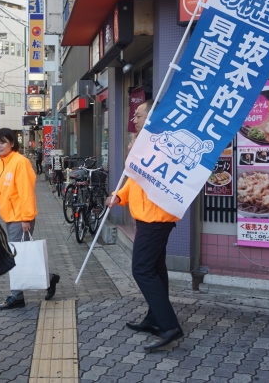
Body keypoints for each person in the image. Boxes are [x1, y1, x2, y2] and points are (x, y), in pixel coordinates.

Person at [106, 99, 184, 351]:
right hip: (147, 218)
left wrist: (133, 155)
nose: (134, 119)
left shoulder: (166, 143)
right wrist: (119, 197)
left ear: (153, 116)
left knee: (141, 270)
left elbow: (154, 178)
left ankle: (170, 325)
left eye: (139, 115)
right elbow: (135, 180)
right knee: (156, 269)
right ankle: (154, 319)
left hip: (156, 218)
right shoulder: (146, 143)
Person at [0, 128, 59, 310]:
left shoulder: (20, 162)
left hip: (20, 218)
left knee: (13, 257)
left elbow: (26, 192)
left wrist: (26, 218)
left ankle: (16, 297)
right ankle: (49, 279)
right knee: (20, 257)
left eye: (3, 142)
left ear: (12, 143)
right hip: (9, 216)